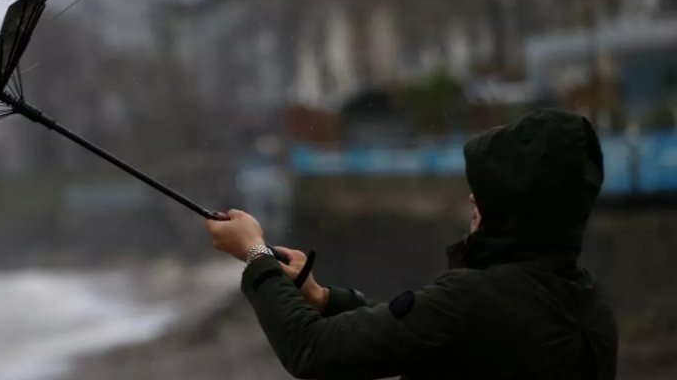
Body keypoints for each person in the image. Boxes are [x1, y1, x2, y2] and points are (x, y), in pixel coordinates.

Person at [204, 109, 618, 380]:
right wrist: (324, 298)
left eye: (488, 190)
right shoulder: (588, 303)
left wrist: (255, 254)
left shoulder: (472, 300)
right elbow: (429, 337)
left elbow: (312, 350)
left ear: (519, 204)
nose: (473, 198)